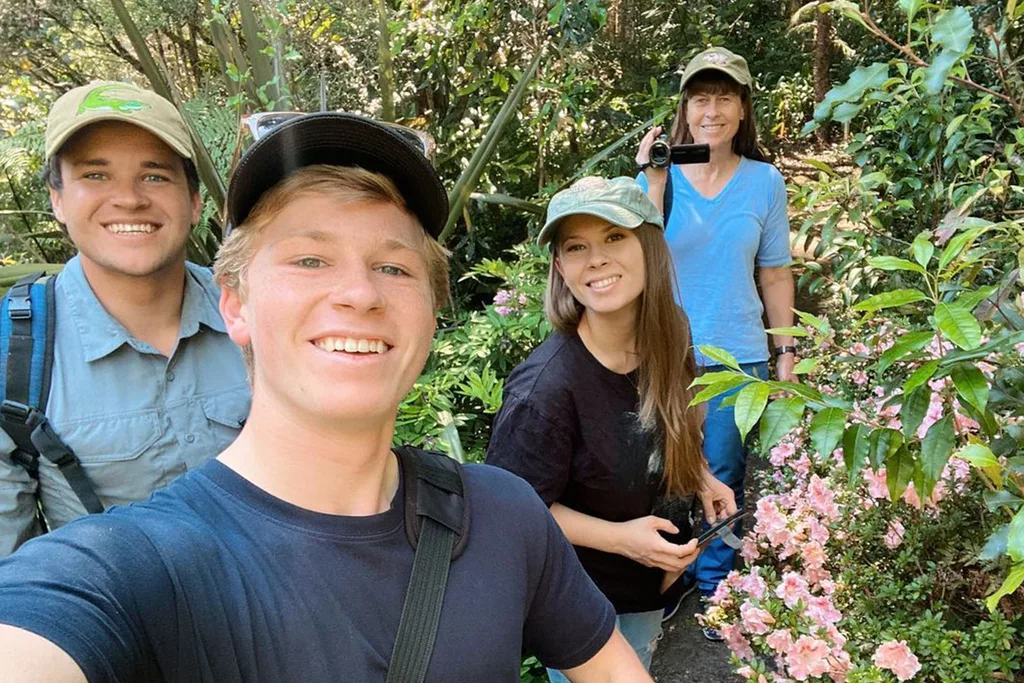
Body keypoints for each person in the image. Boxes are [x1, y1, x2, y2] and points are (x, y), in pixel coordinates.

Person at [0, 112, 655, 683]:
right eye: (310, 259)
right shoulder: (135, 566)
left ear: (431, 313)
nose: (360, 293)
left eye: (394, 266)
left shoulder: (505, 518)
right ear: (235, 304)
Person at [486, 176, 737, 679]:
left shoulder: (673, 333)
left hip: (652, 583)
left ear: (650, 244)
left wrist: (699, 475)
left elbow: (667, 426)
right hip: (584, 606)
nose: (596, 259)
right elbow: (512, 511)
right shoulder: (546, 389)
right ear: (560, 267)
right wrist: (622, 539)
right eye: (576, 247)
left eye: (614, 237)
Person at [0, 81, 250, 557]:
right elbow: (12, 585)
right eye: (96, 175)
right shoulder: (16, 352)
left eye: (155, 176)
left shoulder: (263, 314)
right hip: (113, 624)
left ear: (194, 201)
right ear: (58, 200)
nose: (129, 199)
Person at [635, 47, 797, 638]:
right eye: (701, 97)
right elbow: (637, 257)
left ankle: (716, 588)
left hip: (739, 355)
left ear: (743, 106)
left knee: (724, 470)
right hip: (663, 353)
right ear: (685, 107)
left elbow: (776, 273)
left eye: (725, 96)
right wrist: (653, 180)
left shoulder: (764, 182)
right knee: (661, 470)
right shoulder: (657, 176)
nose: (712, 109)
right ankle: (667, 578)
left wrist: (786, 356)